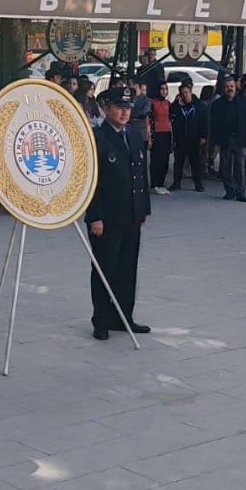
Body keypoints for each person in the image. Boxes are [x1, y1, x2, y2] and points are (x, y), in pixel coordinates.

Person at [86, 84, 152, 340]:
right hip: (107, 218)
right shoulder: (97, 138)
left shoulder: (134, 134)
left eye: (127, 108)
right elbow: (90, 181)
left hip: (131, 215)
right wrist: (95, 217)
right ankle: (101, 320)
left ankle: (124, 316)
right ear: (106, 108)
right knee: (105, 269)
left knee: (127, 268)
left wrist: (143, 208)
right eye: (119, 108)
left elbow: (140, 175)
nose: (124, 113)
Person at [207, 75, 246, 202]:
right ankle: (229, 191)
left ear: (236, 87)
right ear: (223, 88)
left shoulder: (243, 102)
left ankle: (241, 192)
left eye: (232, 86)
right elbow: (214, 125)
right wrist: (215, 143)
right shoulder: (217, 104)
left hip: (240, 139)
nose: (230, 89)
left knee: (240, 167)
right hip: (224, 140)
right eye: (227, 87)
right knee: (225, 168)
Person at [167, 79, 207, 193]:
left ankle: (198, 183)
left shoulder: (199, 105)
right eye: (182, 93)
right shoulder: (177, 106)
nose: (184, 95)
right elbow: (172, 116)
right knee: (178, 162)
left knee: (195, 162)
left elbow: (204, 122)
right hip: (180, 139)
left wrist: (203, 136)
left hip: (194, 138)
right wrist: (176, 103)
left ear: (190, 92)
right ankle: (176, 182)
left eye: (186, 92)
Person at [147, 79, 173, 194]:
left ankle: (161, 184)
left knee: (165, 160)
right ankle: (154, 184)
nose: (164, 91)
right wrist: (149, 136)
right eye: (162, 89)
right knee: (156, 160)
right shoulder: (153, 102)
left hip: (166, 132)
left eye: (165, 89)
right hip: (156, 133)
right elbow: (149, 119)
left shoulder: (168, 103)